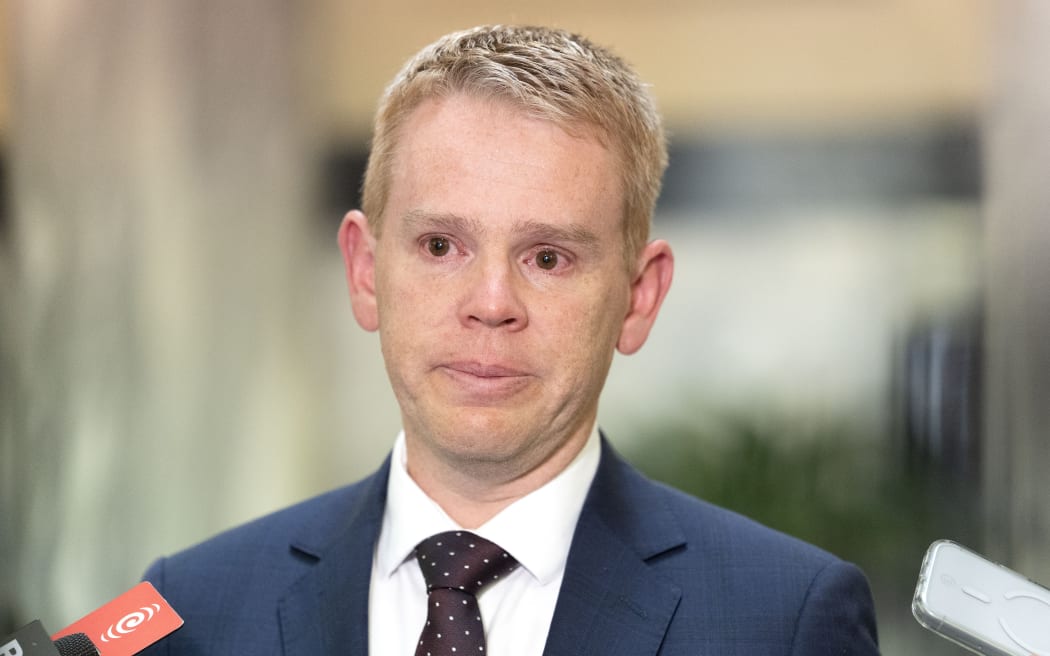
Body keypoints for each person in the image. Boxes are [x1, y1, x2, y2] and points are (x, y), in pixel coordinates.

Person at [139, 25, 879, 655]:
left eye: (547, 258)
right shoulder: (187, 609)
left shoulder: (782, 620)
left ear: (638, 297)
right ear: (365, 273)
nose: (492, 304)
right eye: (439, 246)